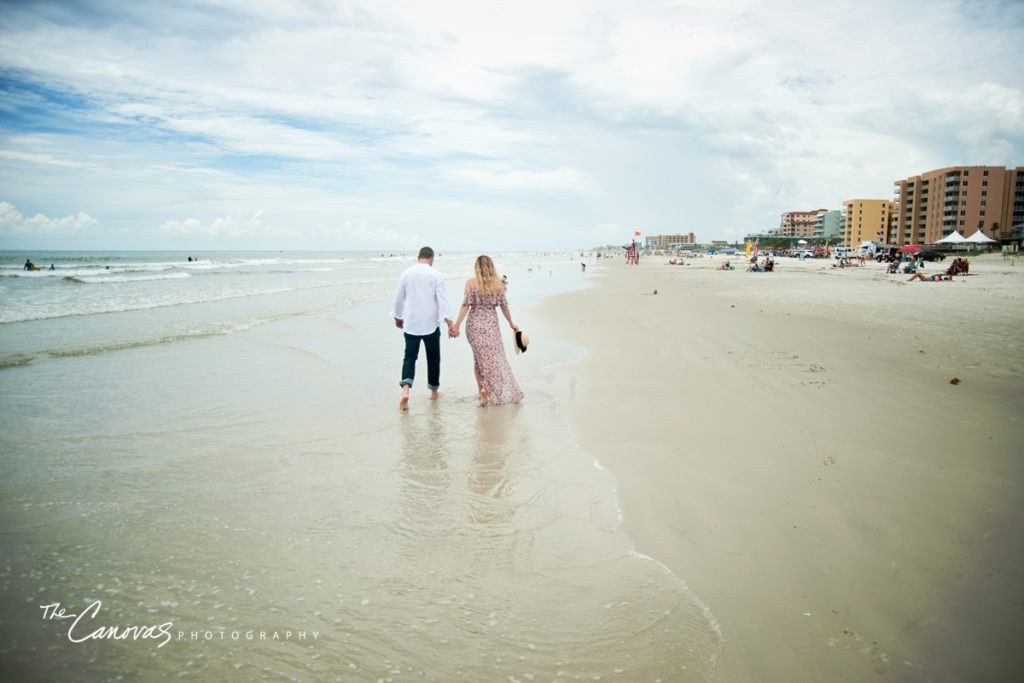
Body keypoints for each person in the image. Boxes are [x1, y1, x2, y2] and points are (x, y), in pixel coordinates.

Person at [450, 255, 524, 407]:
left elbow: (465, 306)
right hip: (491, 326)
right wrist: (511, 323)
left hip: (473, 325)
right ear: (491, 267)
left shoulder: (470, 283)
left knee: (479, 359)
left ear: (477, 267)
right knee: (495, 359)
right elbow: (504, 306)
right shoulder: (498, 285)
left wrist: (456, 325)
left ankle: (482, 390)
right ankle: (490, 390)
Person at [392, 246, 453, 411]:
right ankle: (433, 392)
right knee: (433, 359)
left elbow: (399, 298)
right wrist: (448, 322)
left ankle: (405, 391)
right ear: (432, 259)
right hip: (431, 324)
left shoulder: (406, 273)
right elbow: (441, 300)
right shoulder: (436, 275)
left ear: (418, 257)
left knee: (409, 357)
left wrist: (397, 317)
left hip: (411, 323)